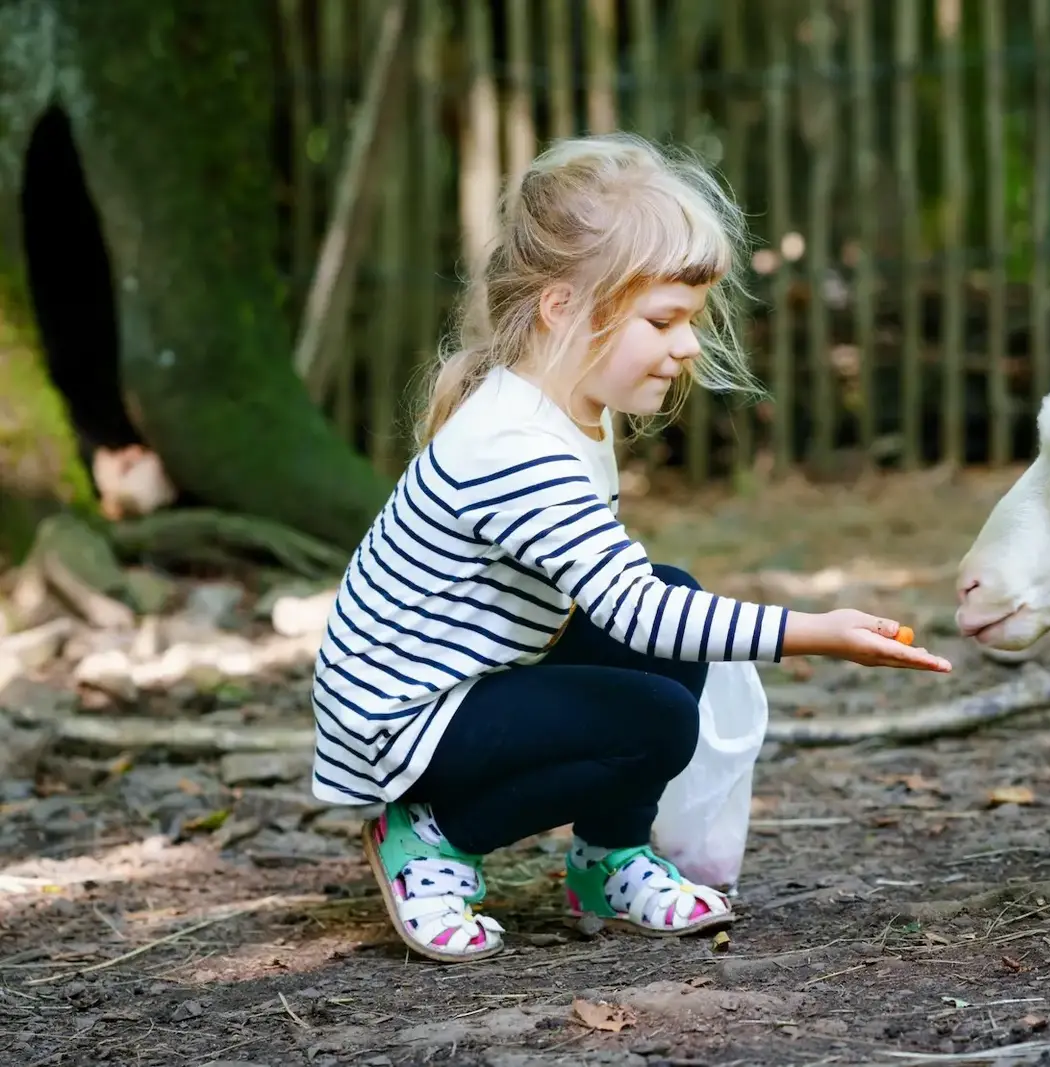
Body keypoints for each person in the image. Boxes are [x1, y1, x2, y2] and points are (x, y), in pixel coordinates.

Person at [307, 132, 952, 962]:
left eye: (690, 320)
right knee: (653, 715)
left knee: (669, 604)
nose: (687, 345)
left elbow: (632, 592)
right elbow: (634, 612)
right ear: (563, 307)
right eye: (664, 320)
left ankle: (608, 859)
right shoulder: (513, 445)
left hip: (475, 680)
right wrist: (811, 631)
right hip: (405, 721)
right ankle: (429, 831)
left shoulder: (572, 409)